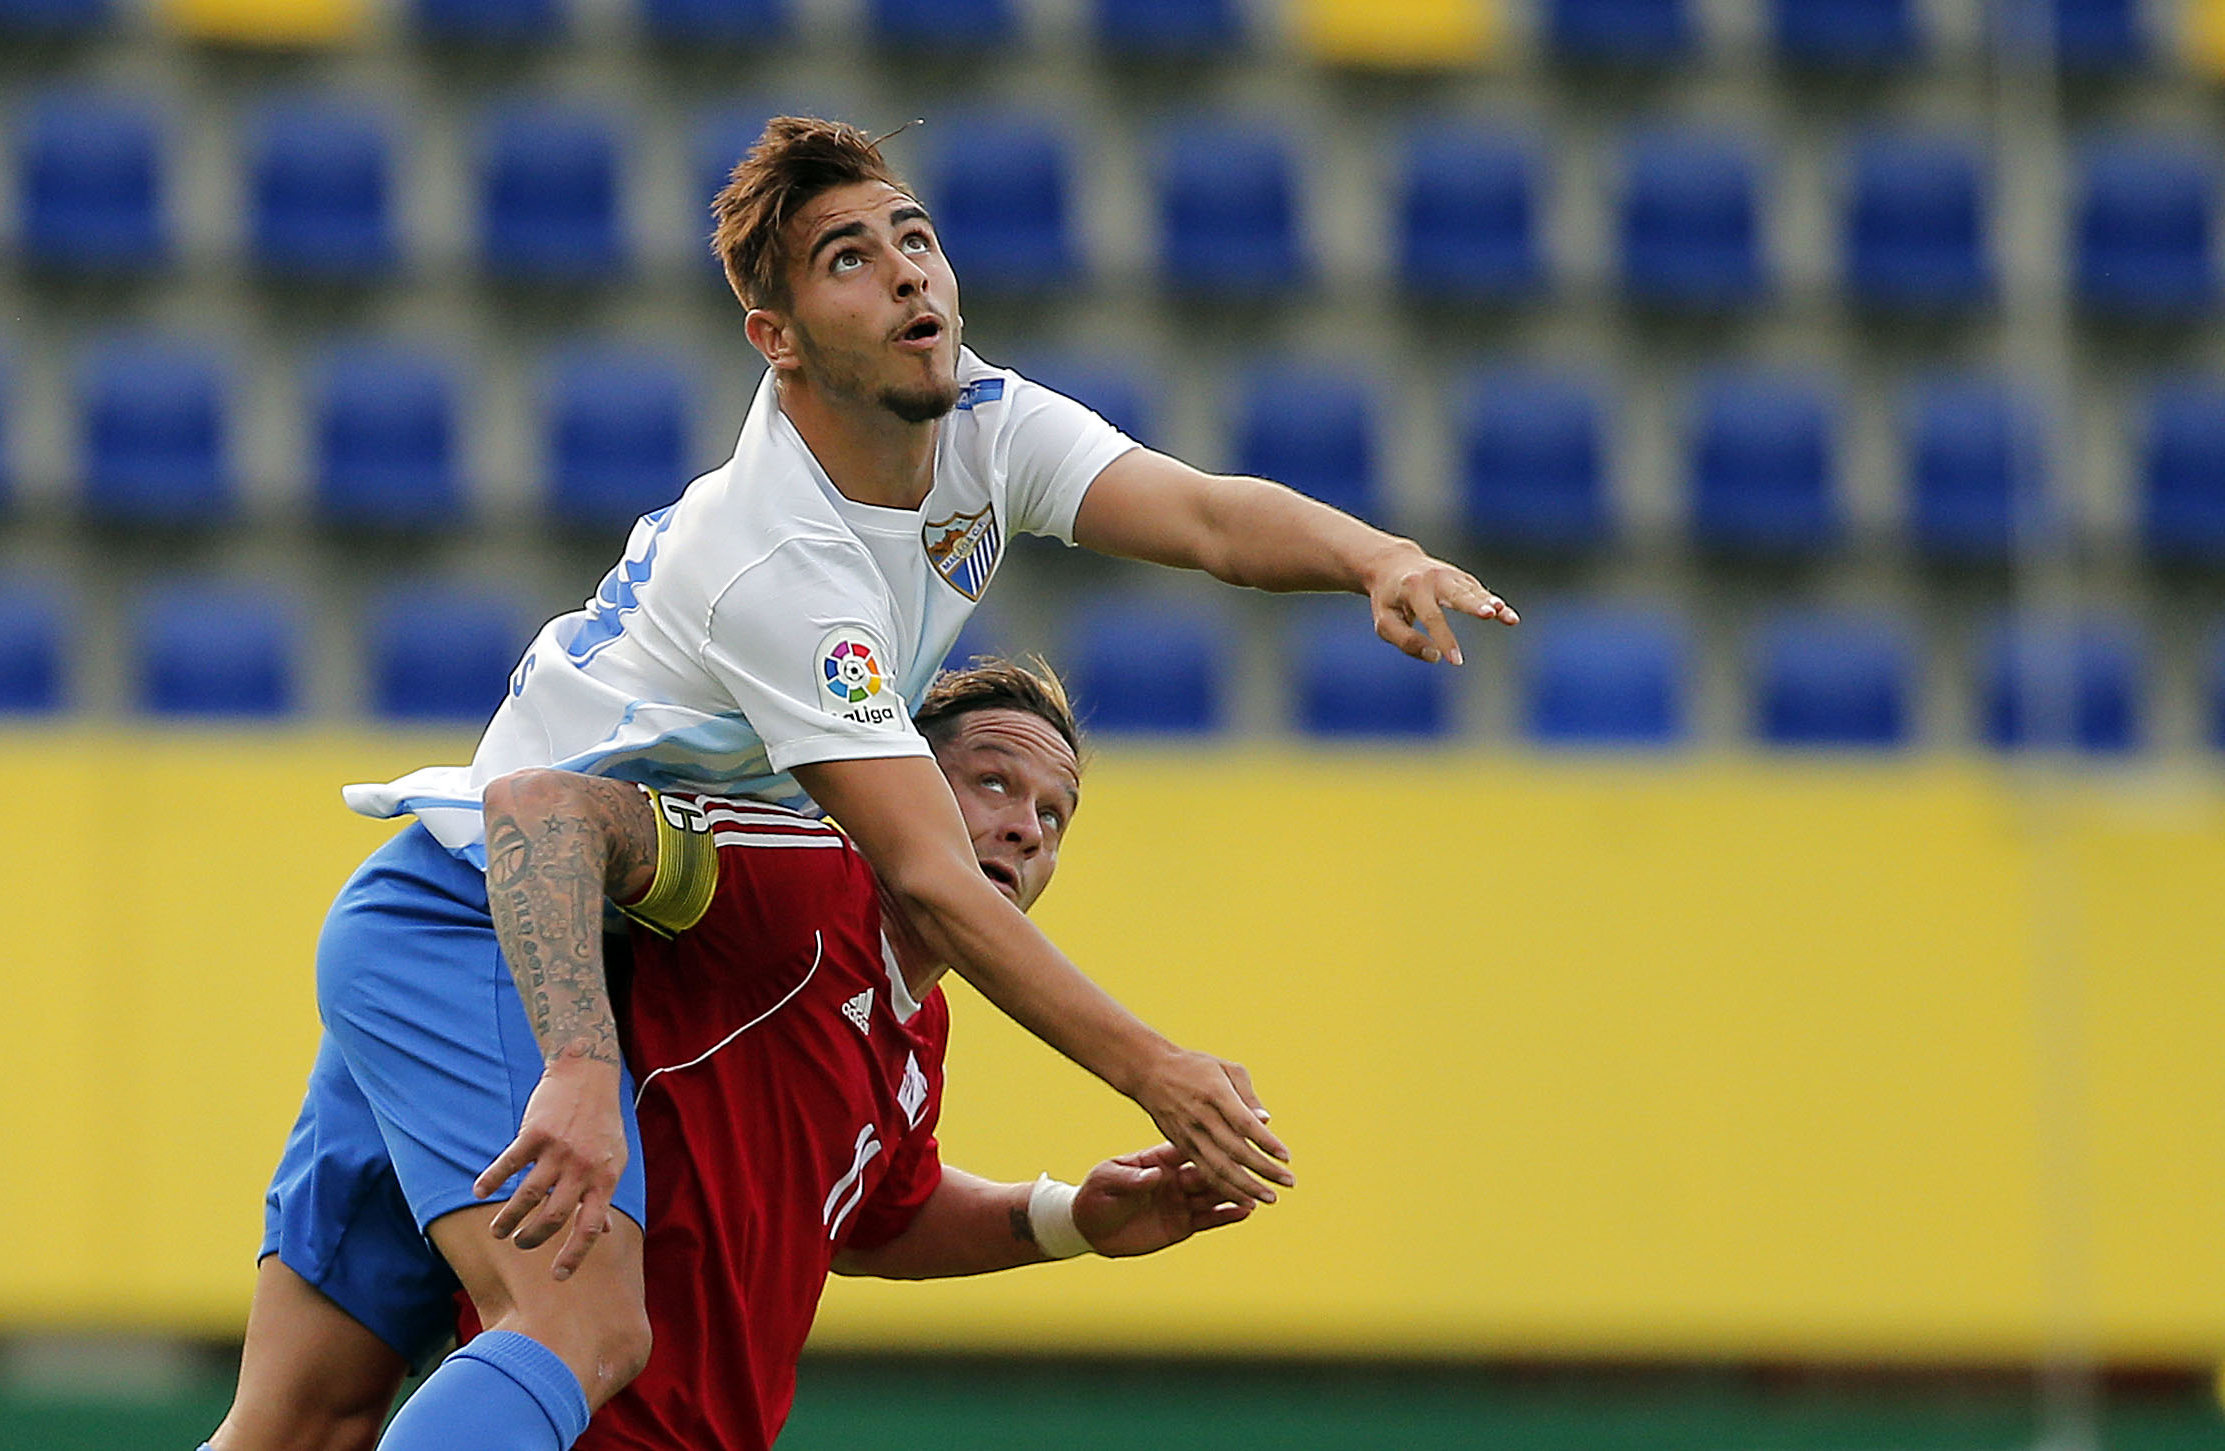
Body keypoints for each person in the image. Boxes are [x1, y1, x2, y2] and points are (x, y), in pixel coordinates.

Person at [207, 115, 1512, 1451]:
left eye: (917, 238)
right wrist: (1153, 1066)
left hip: (511, 902)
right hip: (490, 910)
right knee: (584, 1324)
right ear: (778, 336)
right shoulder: (777, 562)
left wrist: (1376, 556)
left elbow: (1211, 517)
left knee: (305, 1417)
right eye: (850, 255)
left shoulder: (987, 428)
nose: (908, 273)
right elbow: (930, 872)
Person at [490, 657, 1244, 1450]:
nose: (1027, 827)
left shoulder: (923, 1025)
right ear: (904, 788)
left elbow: (880, 1219)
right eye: (993, 782)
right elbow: (547, 810)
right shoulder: (808, 882)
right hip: (573, 1418)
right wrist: (577, 1062)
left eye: (1054, 817)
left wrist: (1070, 1220)